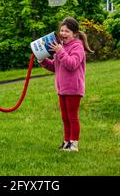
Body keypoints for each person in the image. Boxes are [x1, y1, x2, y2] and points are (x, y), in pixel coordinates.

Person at [38, 17, 93, 152]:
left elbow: (72, 64)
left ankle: (74, 144)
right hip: (62, 89)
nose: (63, 33)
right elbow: (55, 67)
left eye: (67, 31)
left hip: (73, 89)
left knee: (72, 117)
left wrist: (60, 51)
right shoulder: (60, 47)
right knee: (65, 117)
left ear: (74, 33)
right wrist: (43, 60)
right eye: (61, 30)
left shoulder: (77, 46)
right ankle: (66, 142)